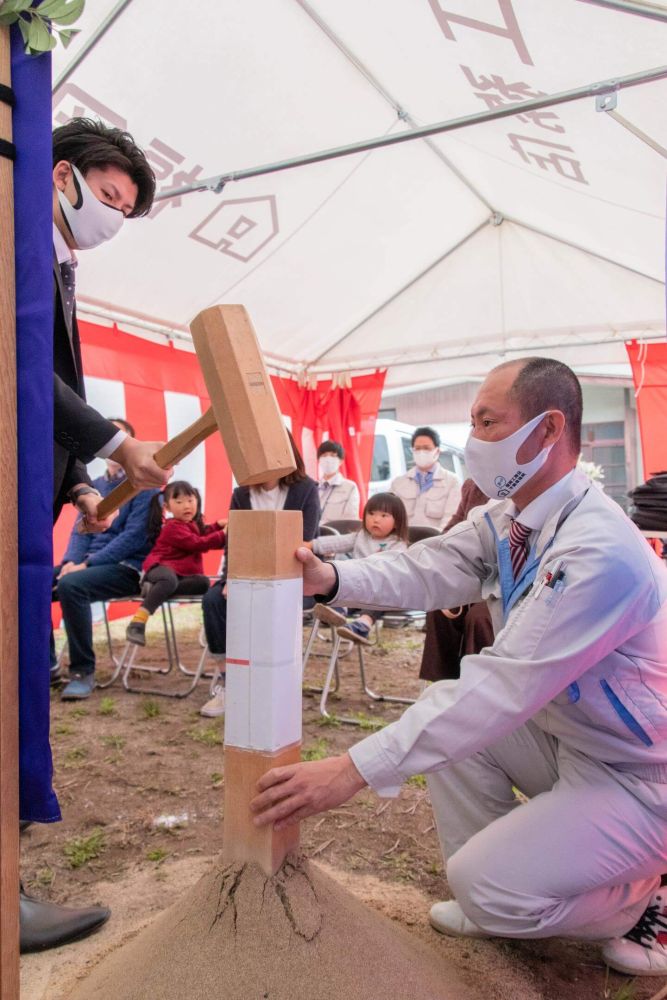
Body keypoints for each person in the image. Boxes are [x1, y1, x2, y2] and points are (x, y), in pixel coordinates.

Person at [251, 357, 667, 979]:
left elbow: (504, 685)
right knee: (451, 738)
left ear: (548, 430)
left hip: (640, 773)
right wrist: (332, 578)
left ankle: (640, 895)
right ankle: (506, 894)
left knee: (485, 875)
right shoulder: (512, 518)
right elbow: (429, 567)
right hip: (574, 738)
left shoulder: (599, 550)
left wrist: (352, 770)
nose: (471, 442)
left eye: (487, 422)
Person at [20, 120, 171, 953]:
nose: (112, 220)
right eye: (110, 198)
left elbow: (47, 392)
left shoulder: (58, 256)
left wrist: (79, 480)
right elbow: (20, 359)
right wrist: (114, 443)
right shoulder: (19, 234)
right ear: (65, 172)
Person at [201, 430, 320, 718]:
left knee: (268, 603)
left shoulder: (306, 488)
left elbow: (305, 540)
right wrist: (230, 579)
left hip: (292, 577)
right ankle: (229, 682)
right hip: (247, 574)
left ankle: (274, 685)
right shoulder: (242, 493)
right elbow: (235, 543)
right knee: (214, 601)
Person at [53, 424, 159, 699]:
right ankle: (47, 665)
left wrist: (86, 565)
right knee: (31, 582)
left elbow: (134, 538)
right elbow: (79, 532)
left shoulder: (143, 486)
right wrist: (70, 561)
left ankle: (82, 671)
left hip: (126, 568)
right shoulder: (94, 487)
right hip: (86, 565)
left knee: (72, 586)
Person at [126, 481, 226, 645]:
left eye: (190, 500)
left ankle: (156, 591)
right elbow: (197, 543)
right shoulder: (173, 528)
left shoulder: (193, 524)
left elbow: (203, 533)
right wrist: (222, 534)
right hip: (160, 567)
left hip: (180, 574)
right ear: (167, 507)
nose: (186, 506)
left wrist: (217, 526)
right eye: (179, 502)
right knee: (168, 580)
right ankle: (138, 621)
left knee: (203, 582)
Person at [419, 479, 494, 683]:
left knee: (480, 618)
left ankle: (479, 689)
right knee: (440, 608)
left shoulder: (525, 485)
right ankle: (442, 686)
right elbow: (452, 531)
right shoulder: (474, 486)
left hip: (509, 582)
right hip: (474, 575)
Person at [308, 492, 408, 643]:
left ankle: (363, 625)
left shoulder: (398, 545)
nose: (375, 519)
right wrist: (311, 545)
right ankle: (338, 612)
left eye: (384, 515)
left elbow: (395, 573)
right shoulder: (360, 537)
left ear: (397, 522)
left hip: (382, 590)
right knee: (344, 589)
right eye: (371, 513)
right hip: (358, 586)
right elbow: (337, 542)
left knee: (380, 599)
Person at [391, 426, 461, 530]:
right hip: (403, 542)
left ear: (437, 452)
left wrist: (436, 542)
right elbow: (390, 515)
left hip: (436, 542)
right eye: (417, 449)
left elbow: (450, 518)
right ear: (413, 451)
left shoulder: (452, 481)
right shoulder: (398, 483)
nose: (421, 452)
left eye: (426, 448)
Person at [316, 440, 360, 523]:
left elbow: (350, 520)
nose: (328, 459)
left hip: (335, 534)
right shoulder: (313, 487)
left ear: (341, 461)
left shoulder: (350, 487)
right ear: (319, 460)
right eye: (324, 455)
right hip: (312, 534)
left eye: (332, 456)